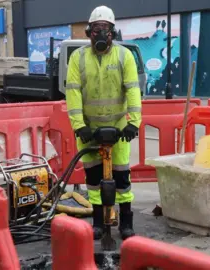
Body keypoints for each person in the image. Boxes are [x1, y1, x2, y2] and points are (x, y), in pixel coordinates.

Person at [65, 5, 142, 240]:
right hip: (89, 130)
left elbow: (132, 90)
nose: (101, 33)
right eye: (96, 28)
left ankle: (126, 222)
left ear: (113, 32)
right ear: (89, 32)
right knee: (94, 179)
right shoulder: (78, 58)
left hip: (117, 129)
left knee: (121, 178)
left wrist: (133, 123)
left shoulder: (124, 56)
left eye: (105, 28)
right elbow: (73, 93)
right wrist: (79, 126)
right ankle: (98, 222)